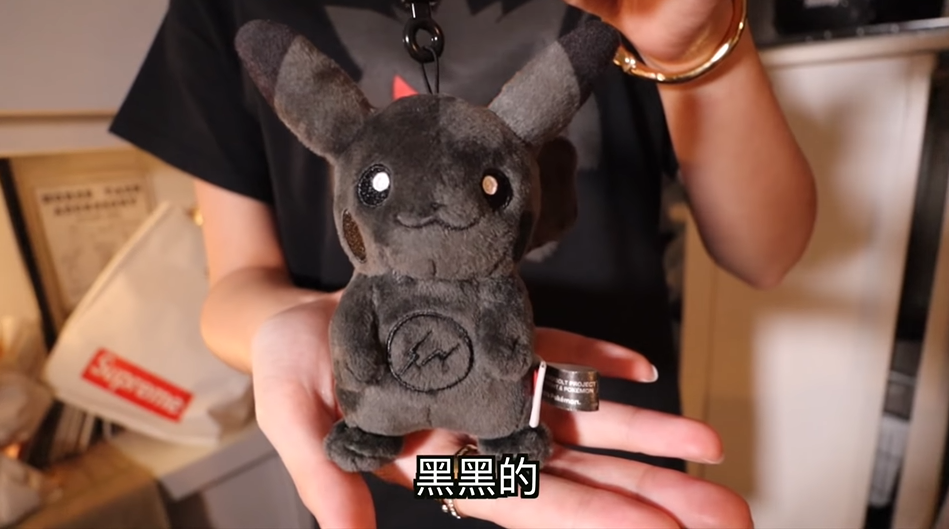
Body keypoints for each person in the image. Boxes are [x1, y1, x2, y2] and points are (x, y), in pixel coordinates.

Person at [110, 0, 816, 527]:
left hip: (598, 451)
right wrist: (309, 335)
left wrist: (695, 47)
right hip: (390, 477)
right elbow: (236, 283)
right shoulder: (218, 7)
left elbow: (767, 254)